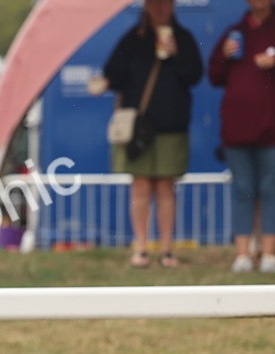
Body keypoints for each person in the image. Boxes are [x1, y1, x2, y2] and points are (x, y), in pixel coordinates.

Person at [99, 0, 203, 268]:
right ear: (146, 6)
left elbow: (194, 75)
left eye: (165, 3)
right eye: (154, 4)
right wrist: (104, 82)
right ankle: (141, 247)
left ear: (173, 6)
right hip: (139, 129)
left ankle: (167, 249)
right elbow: (113, 72)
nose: (160, 9)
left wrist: (175, 54)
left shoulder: (184, 38)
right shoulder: (133, 39)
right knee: (141, 186)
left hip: (172, 125)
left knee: (166, 187)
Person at [209, 0, 275, 274]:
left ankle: (269, 253)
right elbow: (214, 75)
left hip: (274, 130)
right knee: (243, 190)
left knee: (271, 189)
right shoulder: (235, 31)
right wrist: (224, 55)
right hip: (238, 129)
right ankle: (243, 254)